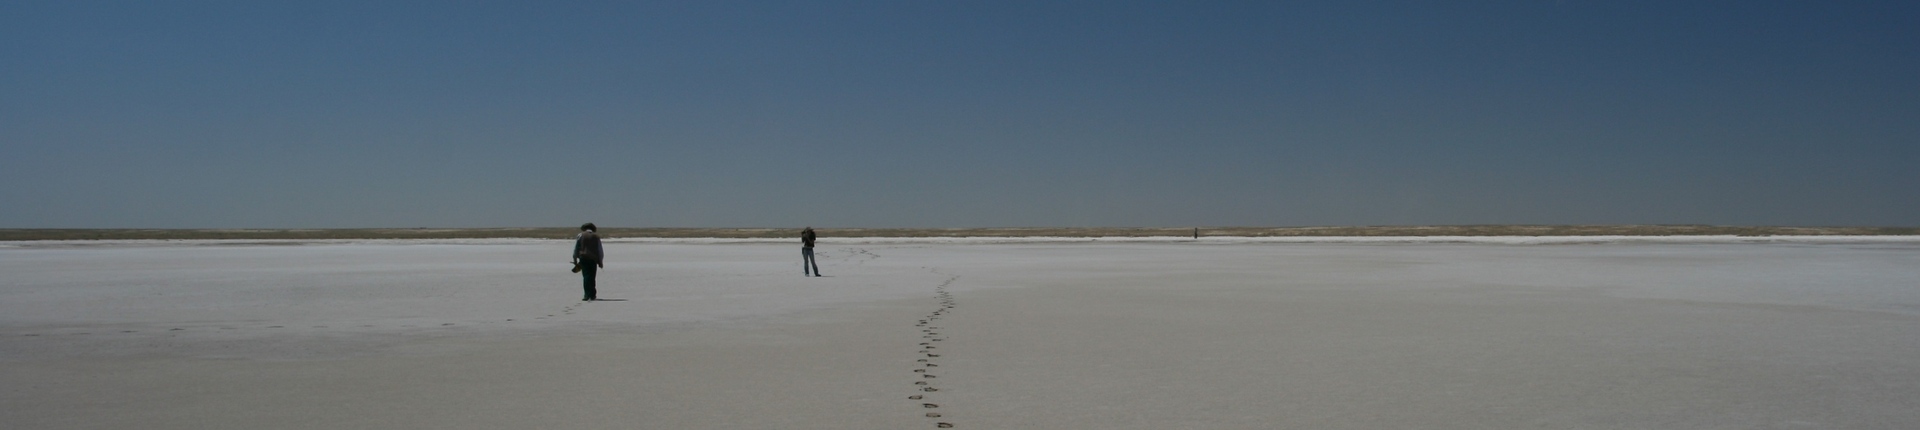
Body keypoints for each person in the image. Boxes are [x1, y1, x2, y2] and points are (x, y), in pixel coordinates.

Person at [573, 223, 604, 301]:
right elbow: (599, 250)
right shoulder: (596, 236)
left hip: (583, 258)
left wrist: (575, 258)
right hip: (593, 259)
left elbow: (577, 247)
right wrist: (600, 261)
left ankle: (587, 295)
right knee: (592, 276)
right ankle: (592, 294)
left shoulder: (580, 235)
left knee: (586, 276)